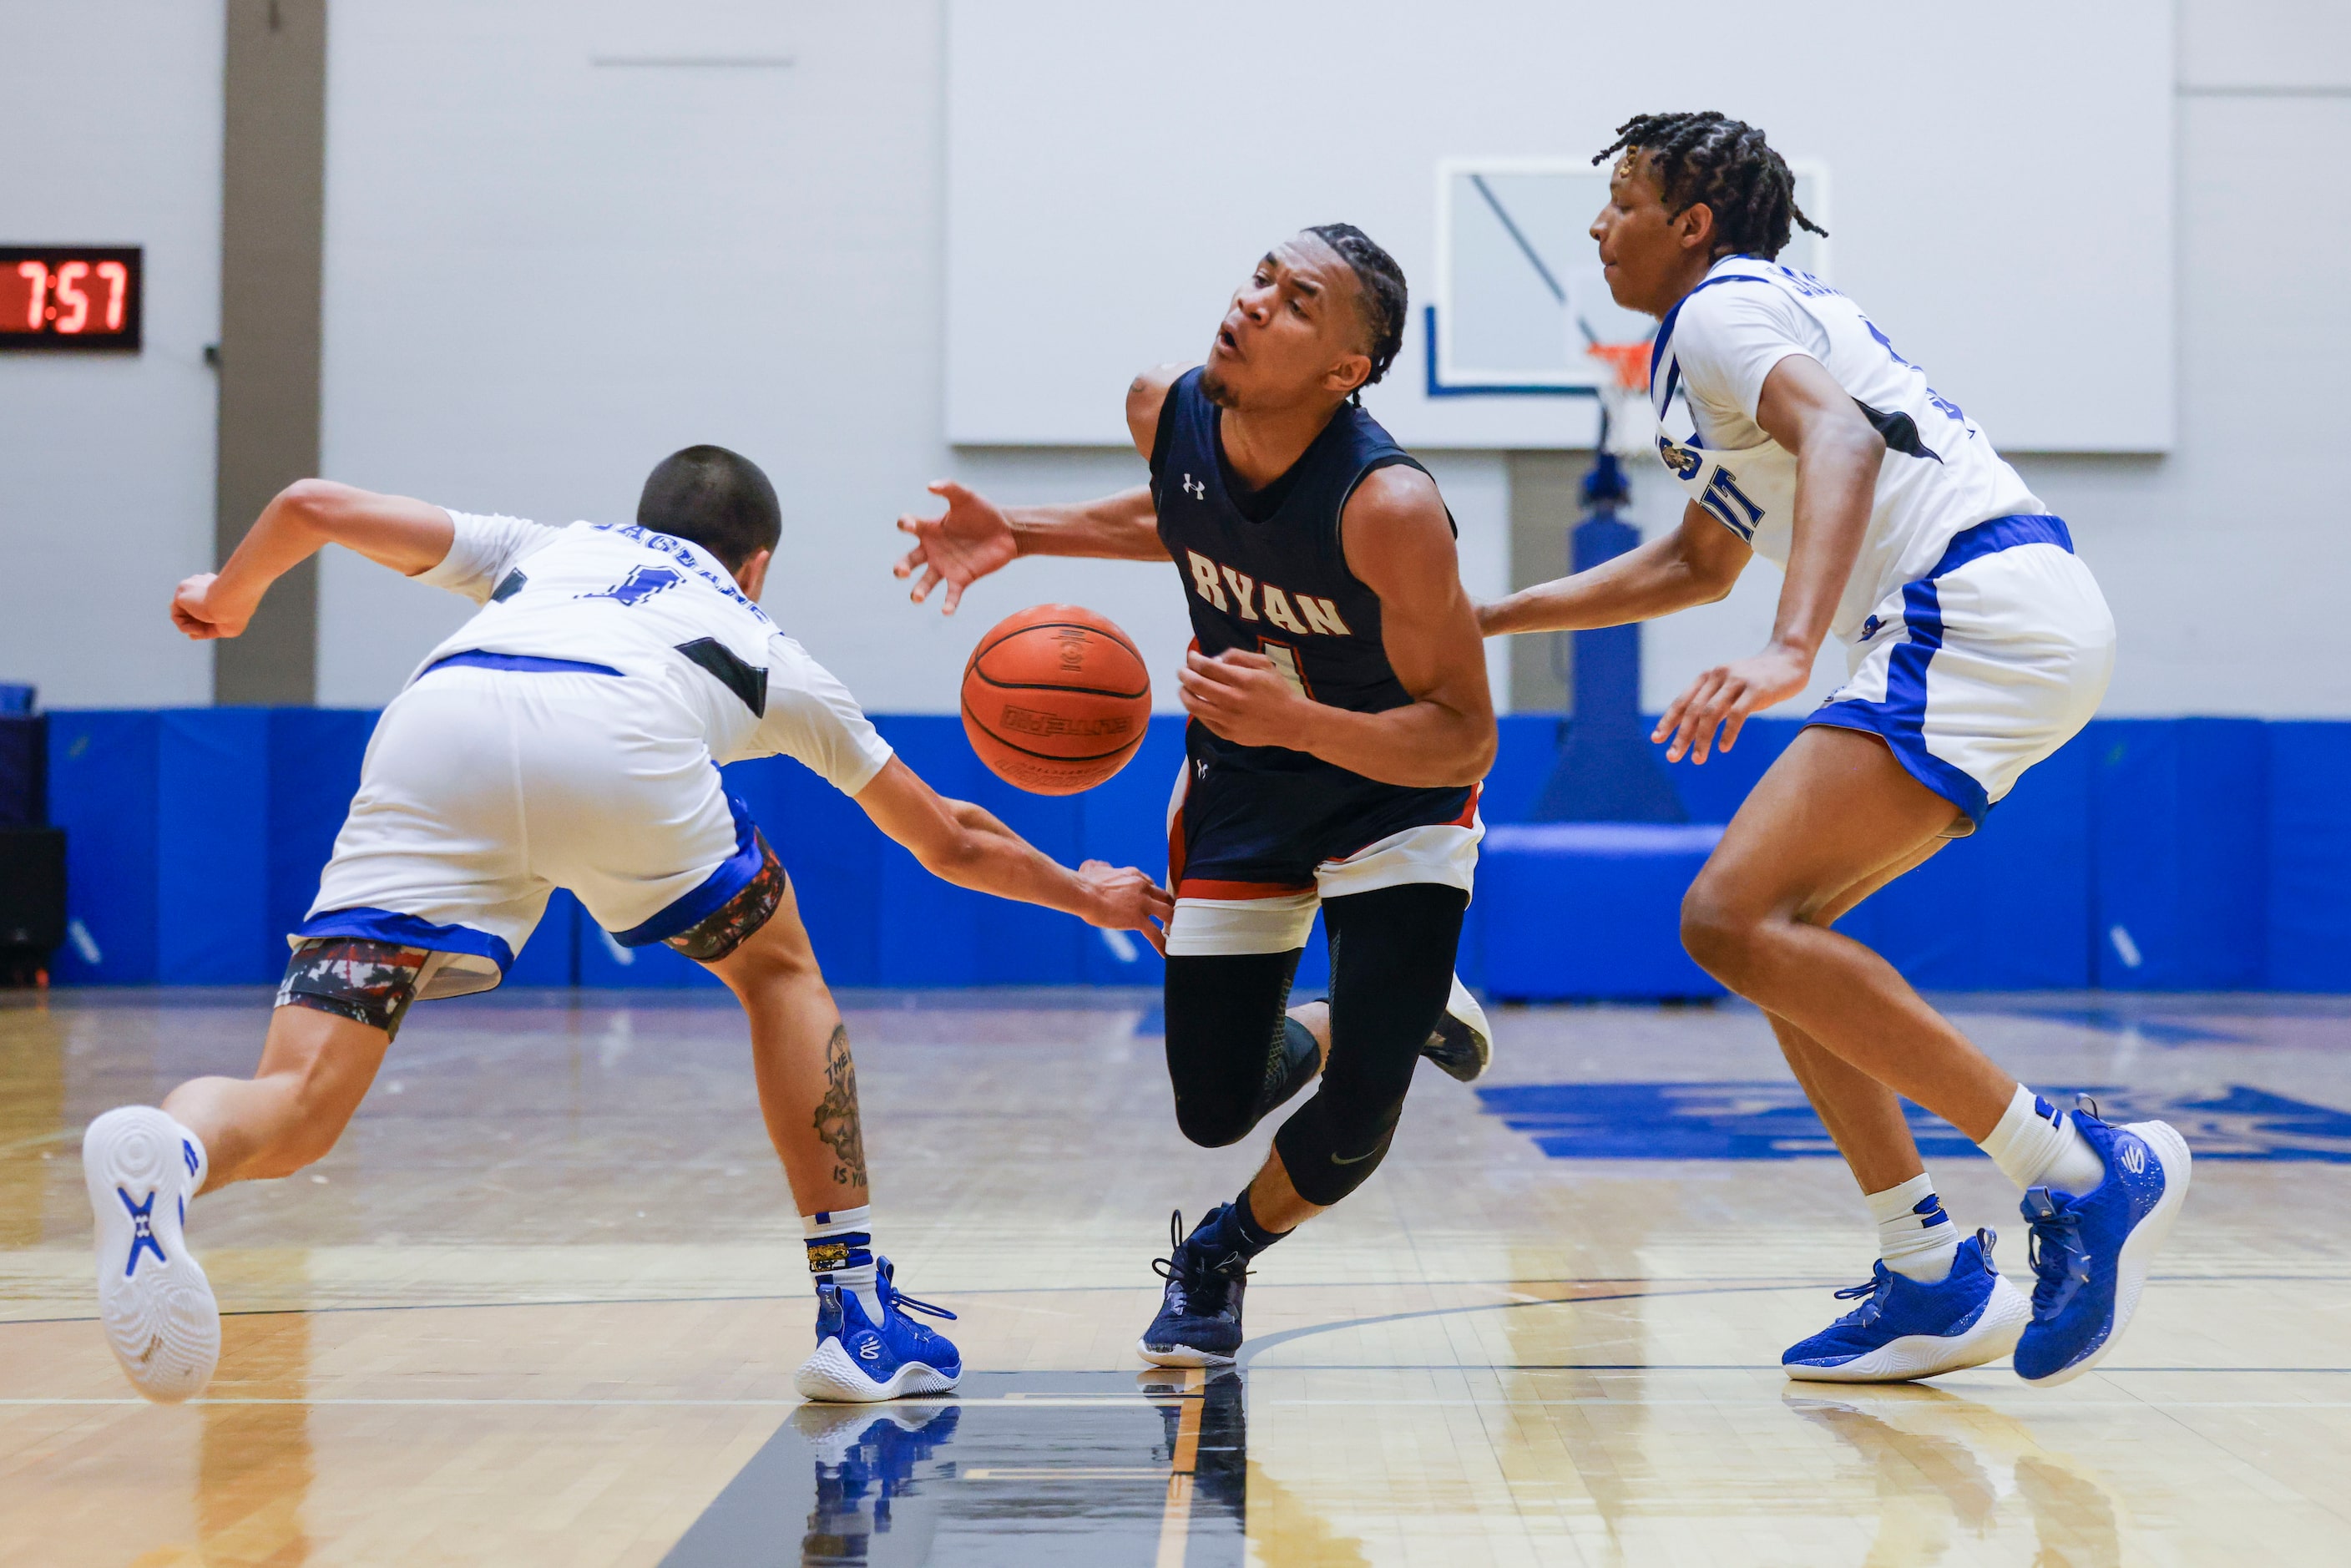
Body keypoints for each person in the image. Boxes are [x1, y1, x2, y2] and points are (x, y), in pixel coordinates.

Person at [86, 445, 1170, 1405]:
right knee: (781, 974)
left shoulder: (543, 550)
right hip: (619, 736)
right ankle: (852, 1311)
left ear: (645, 522)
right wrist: (1090, 892)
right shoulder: (760, 640)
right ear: (757, 564)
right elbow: (948, 840)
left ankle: (174, 1154)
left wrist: (227, 598)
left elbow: (312, 502)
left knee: (301, 1101)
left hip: (436, 732)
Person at [1479, 113, 2189, 1386]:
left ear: (1691, 222)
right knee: (1774, 932)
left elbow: (1846, 444)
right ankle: (1923, 1270)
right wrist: (1490, 613)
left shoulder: (1719, 311)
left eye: (1624, 198)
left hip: (1958, 608)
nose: (1598, 223)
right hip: (1993, 611)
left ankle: (2082, 1172)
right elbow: (1696, 562)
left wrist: (1789, 646)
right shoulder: (1725, 338)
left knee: (1726, 916)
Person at [891, 225, 1498, 1367]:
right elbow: (1180, 515)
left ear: (1345, 370)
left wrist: (1304, 721)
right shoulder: (1163, 413)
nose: (1255, 300)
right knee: (1213, 1104)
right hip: (1248, 782)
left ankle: (1222, 1251)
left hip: (1395, 795)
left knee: (1362, 1109)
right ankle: (1398, 1011)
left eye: (1298, 300)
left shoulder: (1391, 508)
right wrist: (1018, 532)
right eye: (1261, 276)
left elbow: (1467, 731)